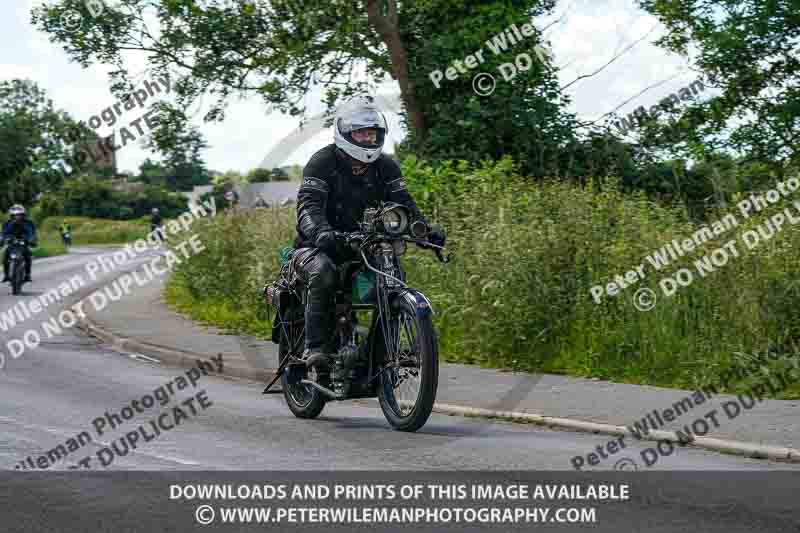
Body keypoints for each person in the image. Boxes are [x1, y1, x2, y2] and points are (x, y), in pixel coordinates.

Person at [290, 97, 445, 373]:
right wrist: (321, 232)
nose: (367, 137)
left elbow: (405, 204)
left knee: (393, 279)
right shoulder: (322, 162)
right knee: (324, 273)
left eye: (372, 133)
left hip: (367, 245)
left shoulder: (386, 167)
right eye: (361, 132)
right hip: (318, 246)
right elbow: (308, 207)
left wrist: (425, 231)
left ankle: (380, 353)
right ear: (346, 133)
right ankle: (315, 347)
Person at [1, 205, 37, 283]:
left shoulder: (29, 223)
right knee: (5, 255)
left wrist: (32, 240)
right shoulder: (7, 223)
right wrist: (2, 240)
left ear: (23, 215)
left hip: (24, 243)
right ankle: (6, 275)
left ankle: (27, 275)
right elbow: (3, 233)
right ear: (12, 216)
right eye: (15, 215)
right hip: (12, 243)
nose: (17, 217)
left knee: (28, 255)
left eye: (19, 215)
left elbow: (32, 233)